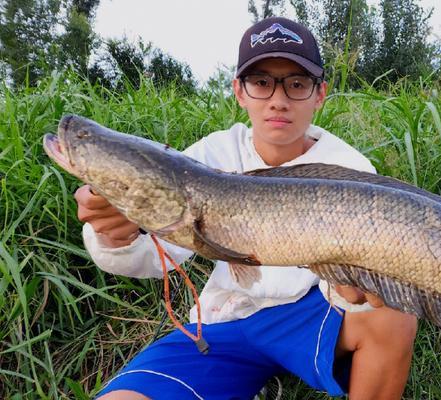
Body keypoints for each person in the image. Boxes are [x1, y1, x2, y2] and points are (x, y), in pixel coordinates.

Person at [77, 17, 417, 400]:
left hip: (310, 313)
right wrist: (115, 235)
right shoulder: (209, 156)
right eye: (261, 82)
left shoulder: (350, 171)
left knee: (392, 314)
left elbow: (353, 283)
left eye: (297, 83)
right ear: (239, 91)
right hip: (226, 320)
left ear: (319, 94)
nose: (278, 99)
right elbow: (158, 257)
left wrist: (351, 290)